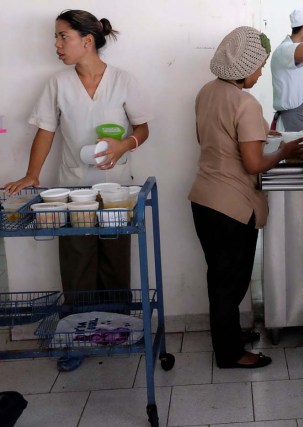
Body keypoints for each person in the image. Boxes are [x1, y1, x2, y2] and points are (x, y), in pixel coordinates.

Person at [4, 9, 152, 372]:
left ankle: (119, 330)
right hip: (72, 188)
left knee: (116, 263)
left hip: (117, 189)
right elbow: (46, 131)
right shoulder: (58, 84)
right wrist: (31, 174)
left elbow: (143, 128)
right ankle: (76, 338)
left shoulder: (122, 80)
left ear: (87, 40)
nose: (56, 45)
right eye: (56, 37)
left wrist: (125, 144)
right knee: (77, 264)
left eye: (62, 36)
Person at [189, 26, 303, 370]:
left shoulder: (206, 92)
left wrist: (256, 135)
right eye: (260, 66)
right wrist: (282, 152)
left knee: (219, 279)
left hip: (204, 200)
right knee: (231, 283)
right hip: (231, 206)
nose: (259, 73)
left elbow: (210, 137)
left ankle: (228, 340)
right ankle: (230, 355)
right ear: (244, 66)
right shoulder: (246, 102)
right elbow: (253, 163)